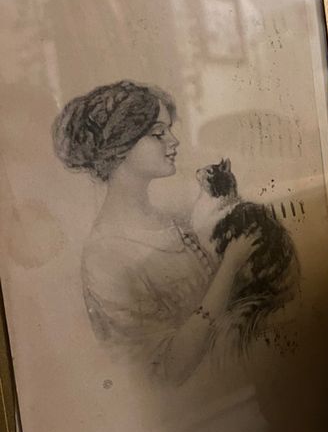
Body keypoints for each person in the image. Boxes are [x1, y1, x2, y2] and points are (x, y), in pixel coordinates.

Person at [52, 79, 283, 386]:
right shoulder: (106, 255)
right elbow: (167, 372)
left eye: (170, 130)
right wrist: (231, 264)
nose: (174, 142)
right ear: (120, 147)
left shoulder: (173, 220)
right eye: (158, 133)